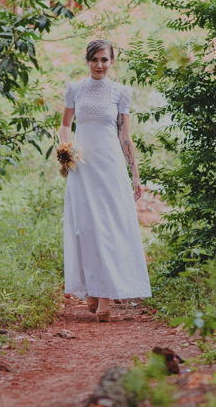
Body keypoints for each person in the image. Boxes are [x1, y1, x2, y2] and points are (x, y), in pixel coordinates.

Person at [60, 39, 152, 322]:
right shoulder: (74, 89)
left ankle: (104, 298)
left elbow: (125, 134)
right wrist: (65, 150)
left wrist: (135, 174)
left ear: (112, 62)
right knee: (84, 228)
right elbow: (65, 124)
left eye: (104, 60)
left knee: (108, 227)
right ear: (87, 61)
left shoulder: (120, 92)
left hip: (110, 167)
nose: (99, 65)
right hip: (82, 167)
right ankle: (91, 287)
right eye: (94, 59)